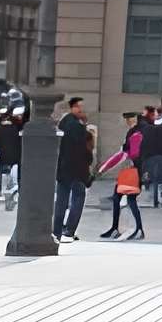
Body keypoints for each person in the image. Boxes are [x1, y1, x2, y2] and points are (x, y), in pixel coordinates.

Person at [54, 98, 96, 240]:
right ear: (72, 108)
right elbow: (84, 151)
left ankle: (57, 231)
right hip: (77, 170)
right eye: (78, 107)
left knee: (61, 201)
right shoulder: (77, 128)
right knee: (78, 198)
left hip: (63, 169)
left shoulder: (63, 124)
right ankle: (69, 230)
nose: (81, 110)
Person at [101, 150, 147, 240]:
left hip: (133, 172)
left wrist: (104, 168)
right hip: (136, 172)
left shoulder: (134, 140)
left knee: (129, 199)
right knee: (120, 198)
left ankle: (138, 229)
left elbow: (121, 154)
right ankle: (134, 229)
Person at [0, 105, 25, 195]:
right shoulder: (16, 129)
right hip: (16, 154)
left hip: (3, 154)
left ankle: (0, 189)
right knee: (19, 171)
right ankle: (19, 187)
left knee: (1, 170)